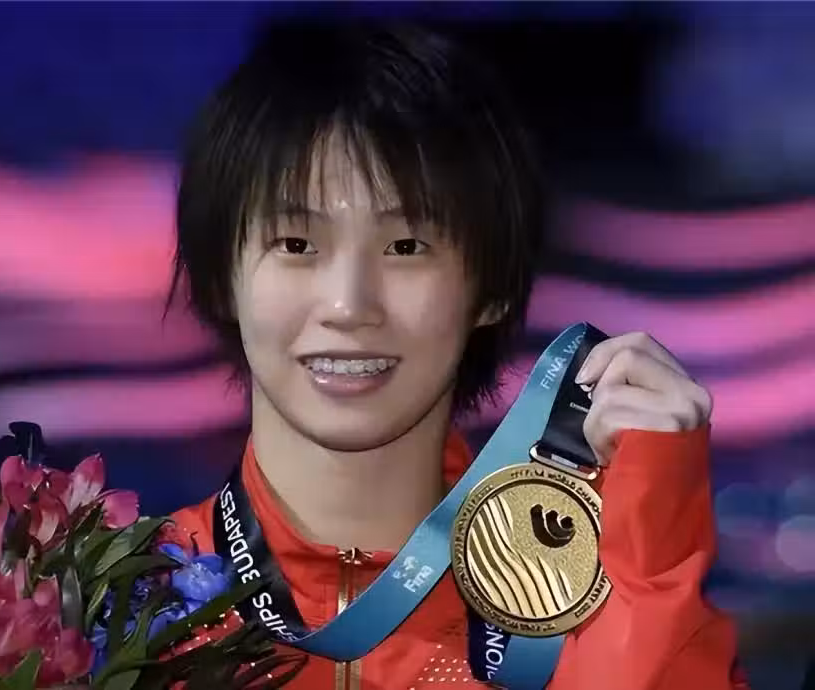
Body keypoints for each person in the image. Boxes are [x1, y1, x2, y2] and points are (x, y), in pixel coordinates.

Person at [166, 20, 748, 690]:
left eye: (406, 247)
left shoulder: (594, 606)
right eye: (296, 245)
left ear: (491, 286)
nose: (348, 306)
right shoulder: (110, 603)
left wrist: (652, 566)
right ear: (220, 278)